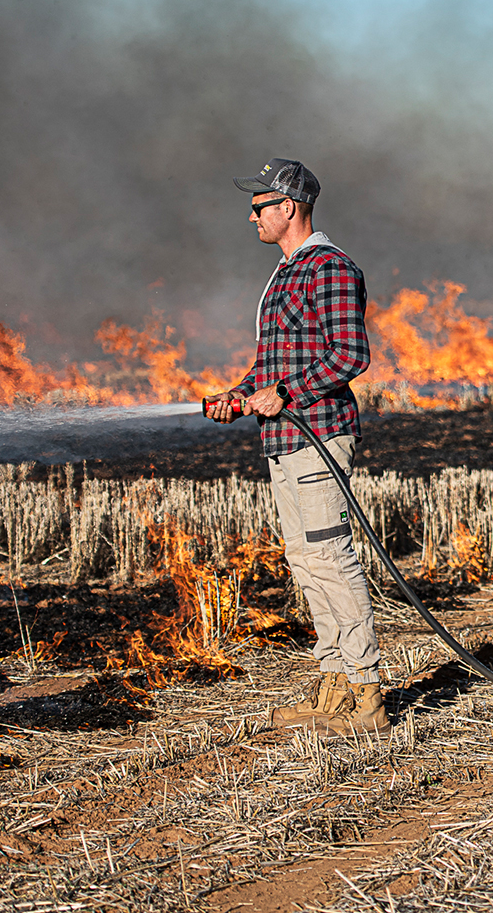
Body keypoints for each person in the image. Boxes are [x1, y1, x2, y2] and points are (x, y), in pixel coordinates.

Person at [205, 158, 386, 735]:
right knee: (307, 564)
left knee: (331, 560)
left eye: (259, 205)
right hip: (282, 441)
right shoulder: (285, 273)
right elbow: (269, 367)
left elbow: (350, 355)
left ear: (289, 206)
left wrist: (286, 391)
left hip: (318, 438)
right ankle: (334, 683)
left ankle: (366, 695)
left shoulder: (330, 268)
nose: (251, 214)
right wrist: (238, 396)